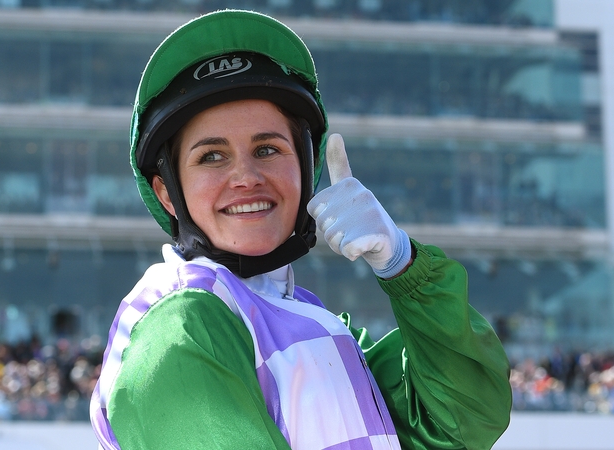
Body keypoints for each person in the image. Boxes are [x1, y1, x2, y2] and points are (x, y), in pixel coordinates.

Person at [90, 9, 511, 450]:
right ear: (167, 194)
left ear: (306, 169)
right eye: (212, 156)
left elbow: (461, 422)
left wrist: (402, 264)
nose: (245, 177)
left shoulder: (314, 322)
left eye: (267, 148)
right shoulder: (180, 326)